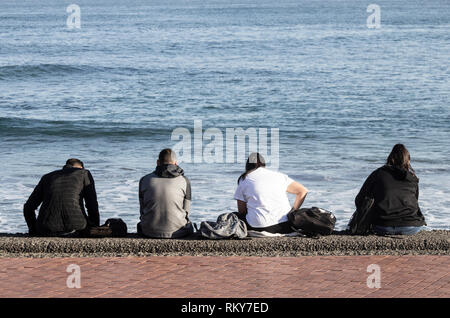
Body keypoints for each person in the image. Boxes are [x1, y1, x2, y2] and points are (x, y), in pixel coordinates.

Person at [355, 144, 427, 235]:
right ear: (408, 161)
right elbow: (415, 201)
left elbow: (359, 199)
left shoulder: (378, 174)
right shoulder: (413, 178)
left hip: (383, 226)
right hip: (411, 227)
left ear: (390, 158)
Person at [234, 152, 309, 234]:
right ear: (264, 164)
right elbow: (303, 191)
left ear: (248, 166)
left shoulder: (244, 179)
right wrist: (293, 211)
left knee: (235, 216)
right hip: (284, 226)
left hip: (258, 227)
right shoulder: (279, 176)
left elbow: (241, 211)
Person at [23, 158, 100, 236]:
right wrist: (95, 227)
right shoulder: (84, 173)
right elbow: (92, 204)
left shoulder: (47, 177)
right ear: (80, 168)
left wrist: (33, 229)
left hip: (45, 228)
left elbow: (28, 208)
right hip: (77, 227)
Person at [138, 148, 194, 238]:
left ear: (157, 162)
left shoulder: (144, 180)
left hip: (148, 231)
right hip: (178, 232)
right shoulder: (184, 181)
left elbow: (142, 210)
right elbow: (186, 212)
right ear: (175, 163)